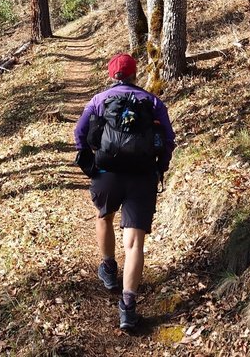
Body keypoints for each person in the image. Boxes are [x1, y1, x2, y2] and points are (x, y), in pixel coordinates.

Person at [73, 53, 175, 330]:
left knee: (104, 217)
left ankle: (108, 267)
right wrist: (160, 167)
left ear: (111, 75)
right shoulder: (152, 101)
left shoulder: (98, 101)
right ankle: (128, 308)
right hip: (142, 177)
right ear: (135, 74)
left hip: (107, 175)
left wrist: (90, 164)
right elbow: (168, 139)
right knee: (134, 244)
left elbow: (79, 133)